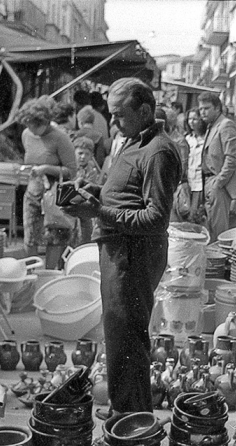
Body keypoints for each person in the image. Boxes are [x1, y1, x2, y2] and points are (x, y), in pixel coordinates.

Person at [63, 77, 182, 417]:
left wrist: (97, 210)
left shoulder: (158, 150)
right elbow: (124, 193)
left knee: (128, 339)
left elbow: (155, 218)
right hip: (118, 250)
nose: (113, 123)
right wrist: (95, 190)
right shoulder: (130, 141)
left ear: (145, 111)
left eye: (119, 115)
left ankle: (133, 421)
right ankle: (123, 412)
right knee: (118, 335)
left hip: (134, 254)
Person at [16, 96, 78, 269]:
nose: (30, 129)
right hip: (34, 191)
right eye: (27, 125)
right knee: (30, 236)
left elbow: (72, 171)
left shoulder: (60, 138)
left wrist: (46, 168)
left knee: (56, 236)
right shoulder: (27, 135)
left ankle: (50, 275)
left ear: (44, 121)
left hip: (57, 193)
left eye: (34, 125)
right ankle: (31, 274)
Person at [198, 92, 236, 241]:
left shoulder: (226, 125)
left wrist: (219, 183)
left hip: (220, 185)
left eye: (206, 108)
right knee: (211, 229)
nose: (202, 112)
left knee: (219, 232)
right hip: (209, 181)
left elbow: (232, 158)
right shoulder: (212, 126)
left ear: (217, 108)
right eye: (201, 109)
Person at [185, 107, 207, 224]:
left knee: (197, 214)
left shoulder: (207, 138)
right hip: (188, 181)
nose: (191, 122)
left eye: (195, 119)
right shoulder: (187, 138)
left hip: (200, 182)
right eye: (189, 119)